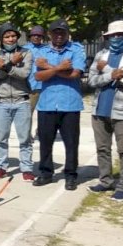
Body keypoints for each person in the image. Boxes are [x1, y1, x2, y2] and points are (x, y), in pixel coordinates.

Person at [87, 20, 123, 202]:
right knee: (102, 148)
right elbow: (91, 80)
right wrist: (113, 74)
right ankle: (105, 181)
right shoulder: (101, 55)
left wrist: (108, 71)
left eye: (121, 35)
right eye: (113, 35)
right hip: (100, 108)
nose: (117, 38)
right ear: (108, 37)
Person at [32, 19, 86, 190]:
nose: (59, 35)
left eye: (62, 32)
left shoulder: (76, 50)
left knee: (71, 143)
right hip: (47, 104)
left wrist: (48, 68)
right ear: (50, 34)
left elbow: (75, 74)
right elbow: (38, 77)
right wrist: (59, 68)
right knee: (45, 141)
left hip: (70, 104)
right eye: (56, 32)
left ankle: (70, 176)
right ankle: (46, 173)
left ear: (68, 34)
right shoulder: (43, 52)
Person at [0, 23, 34, 181]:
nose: (10, 39)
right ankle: (1, 166)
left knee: (25, 138)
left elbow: (24, 74)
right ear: (1, 39)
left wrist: (7, 66)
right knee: (1, 138)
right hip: (2, 101)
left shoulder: (26, 53)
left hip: (21, 100)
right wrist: (11, 64)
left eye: (13, 36)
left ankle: (27, 168)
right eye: (7, 37)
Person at [23, 26, 47, 115]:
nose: (36, 37)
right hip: (30, 86)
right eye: (34, 35)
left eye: (39, 35)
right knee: (28, 114)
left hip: (44, 86)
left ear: (42, 37)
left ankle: (41, 129)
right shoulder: (24, 49)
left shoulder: (47, 49)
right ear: (30, 37)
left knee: (45, 114)